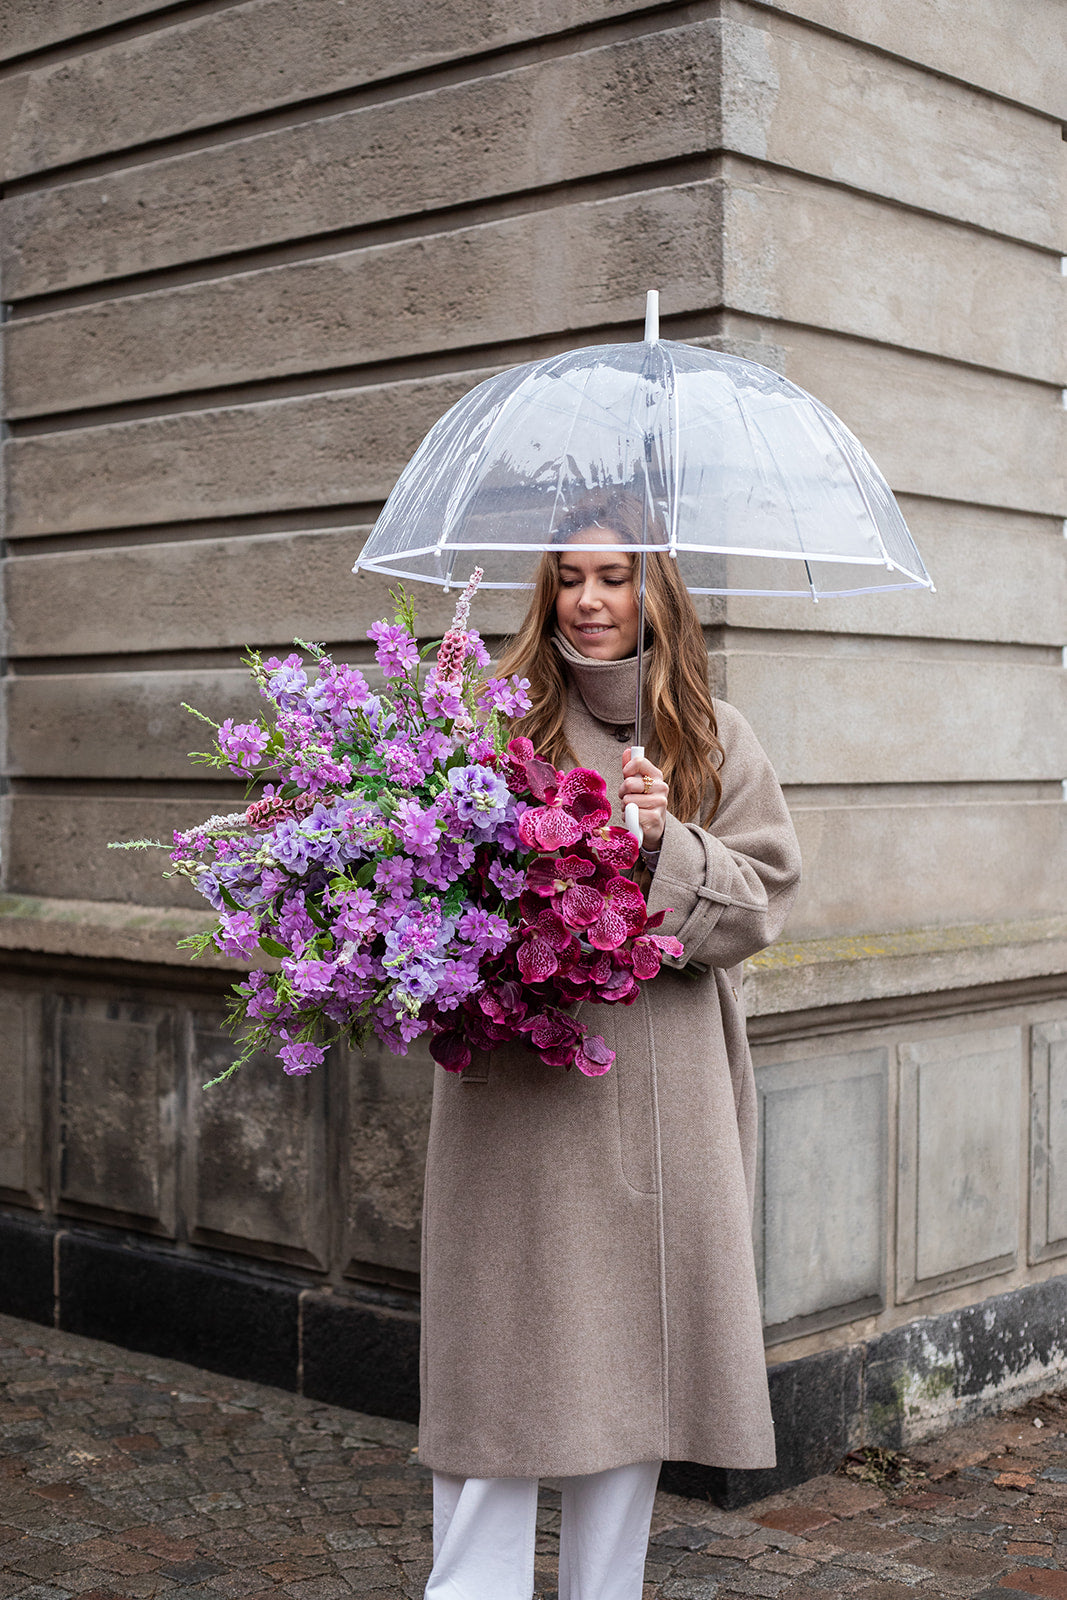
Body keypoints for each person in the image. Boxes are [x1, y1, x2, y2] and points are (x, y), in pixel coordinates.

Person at [420, 490, 802, 1600]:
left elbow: (760, 905)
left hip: (661, 1099)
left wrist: (658, 844)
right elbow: (439, 894)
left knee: (627, 1377)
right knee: (495, 1390)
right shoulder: (494, 722)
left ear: (655, 589)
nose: (587, 600)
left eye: (613, 575)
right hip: (515, 1097)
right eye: (569, 576)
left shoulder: (714, 736)